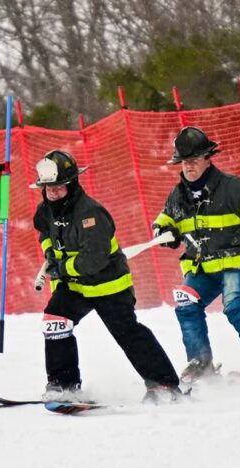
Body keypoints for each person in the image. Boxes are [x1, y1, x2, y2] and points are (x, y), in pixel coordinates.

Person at [31, 149, 182, 403]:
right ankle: (63, 384)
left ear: (71, 184)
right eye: (48, 188)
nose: (53, 192)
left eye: (58, 186)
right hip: (75, 286)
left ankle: (164, 385)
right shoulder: (46, 209)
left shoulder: (91, 214)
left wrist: (61, 267)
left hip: (108, 285)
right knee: (55, 322)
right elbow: (44, 232)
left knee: (127, 333)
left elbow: (93, 260)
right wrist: (49, 254)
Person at [152, 126, 240, 382]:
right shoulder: (178, 196)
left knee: (234, 305)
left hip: (238, 263)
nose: (188, 167)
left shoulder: (232, 187)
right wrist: (164, 232)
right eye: (184, 162)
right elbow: (161, 222)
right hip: (202, 268)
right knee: (186, 303)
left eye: (194, 161)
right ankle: (201, 364)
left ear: (207, 158)